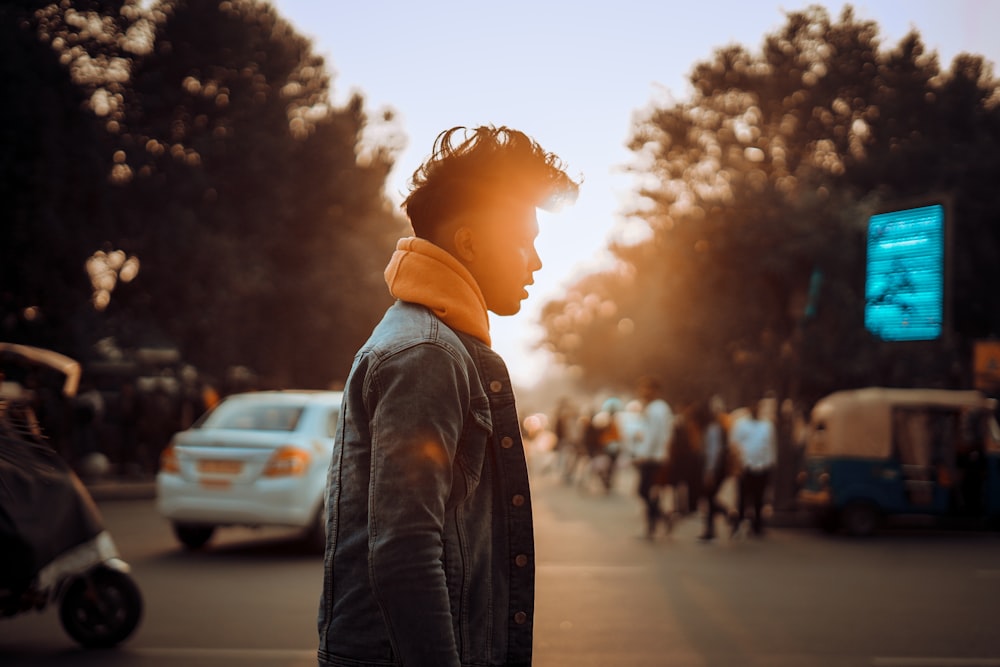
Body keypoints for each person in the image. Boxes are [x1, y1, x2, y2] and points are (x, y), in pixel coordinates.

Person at [317, 125, 579, 667]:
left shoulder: (430, 342)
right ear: (469, 242)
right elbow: (405, 551)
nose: (535, 262)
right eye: (523, 240)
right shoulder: (426, 353)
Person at [631, 376, 674, 539]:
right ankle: (655, 524)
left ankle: (659, 520)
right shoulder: (656, 408)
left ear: (655, 391)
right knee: (650, 493)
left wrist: (643, 455)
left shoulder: (657, 408)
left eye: (646, 389)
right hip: (655, 456)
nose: (643, 392)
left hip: (654, 458)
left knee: (644, 491)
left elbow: (654, 435)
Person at [730, 399, 777, 537]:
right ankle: (739, 524)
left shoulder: (767, 426)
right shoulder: (741, 424)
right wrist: (736, 465)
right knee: (743, 498)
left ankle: (757, 526)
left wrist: (771, 463)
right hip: (746, 466)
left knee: (759, 498)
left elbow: (771, 446)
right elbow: (734, 445)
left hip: (762, 466)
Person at [698, 396, 730, 541]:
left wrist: (709, 471)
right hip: (719, 468)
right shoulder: (721, 428)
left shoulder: (714, 429)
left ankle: (711, 528)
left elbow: (713, 451)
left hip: (714, 469)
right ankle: (727, 514)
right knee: (710, 498)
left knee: (709, 498)